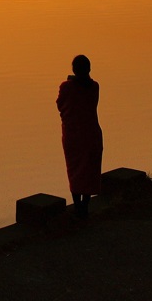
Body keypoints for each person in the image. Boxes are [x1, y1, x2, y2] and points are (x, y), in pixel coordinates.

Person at [56, 54, 103, 218]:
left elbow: (60, 105)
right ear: (89, 69)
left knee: (75, 171)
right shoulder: (95, 86)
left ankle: (77, 207)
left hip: (74, 136)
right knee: (89, 170)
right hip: (92, 134)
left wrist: (70, 81)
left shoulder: (66, 87)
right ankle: (85, 205)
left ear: (74, 70)